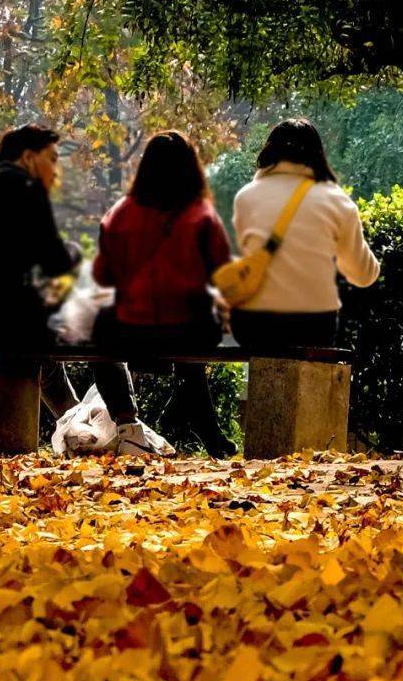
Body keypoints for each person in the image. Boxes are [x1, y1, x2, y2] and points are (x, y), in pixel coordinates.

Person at [0, 123, 142, 447]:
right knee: (103, 321)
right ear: (28, 157)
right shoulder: (27, 192)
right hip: (10, 323)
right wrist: (75, 252)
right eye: (51, 159)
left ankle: (74, 424)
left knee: (47, 343)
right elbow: (56, 262)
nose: (56, 169)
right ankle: (129, 429)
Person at [93, 131, 236, 457]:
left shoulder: (121, 212)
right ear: (191, 169)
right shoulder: (201, 214)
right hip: (189, 334)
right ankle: (200, 422)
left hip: (130, 333)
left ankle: (128, 423)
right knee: (199, 321)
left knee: (96, 333)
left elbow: (103, 275)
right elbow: (223, 273)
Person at [230, 118, 380, 347]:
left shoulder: (245, 197)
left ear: (268, 153)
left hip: (254, 325)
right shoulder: (336, 200)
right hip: (313, 327)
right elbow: (363, 275)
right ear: (318, 156)